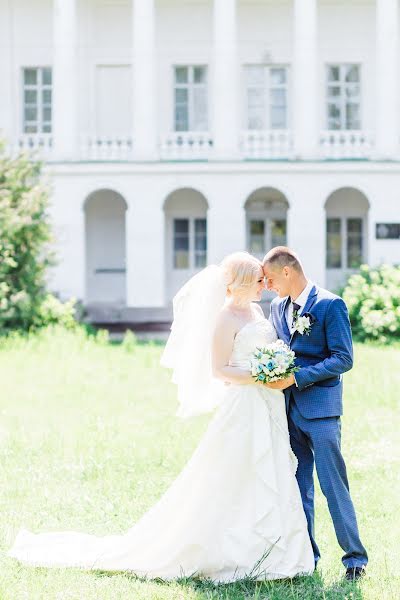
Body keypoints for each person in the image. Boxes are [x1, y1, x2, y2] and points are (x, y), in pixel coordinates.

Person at [9, 252, 314, 581]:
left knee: (268, 469)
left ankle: (274, 551)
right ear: (241, 283)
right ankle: (230, 549)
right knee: (235, 473)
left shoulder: (255, 310)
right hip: (243, 405)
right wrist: (260, 375)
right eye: (258, 280)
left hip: (267, 404)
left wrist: (275, 367)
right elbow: (219, 370)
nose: (264, 285)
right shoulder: (225, 319)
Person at [263, 246, 368, 581]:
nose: (268, 286)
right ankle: (307, 556)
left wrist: (298, 376)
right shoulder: (277, 307)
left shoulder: (329, 304)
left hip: (321, 411)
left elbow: (343, 358)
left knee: (332, 485)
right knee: (298, 487)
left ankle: (355, 559)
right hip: (287, 410)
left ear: (287, 272)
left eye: (270, 279)